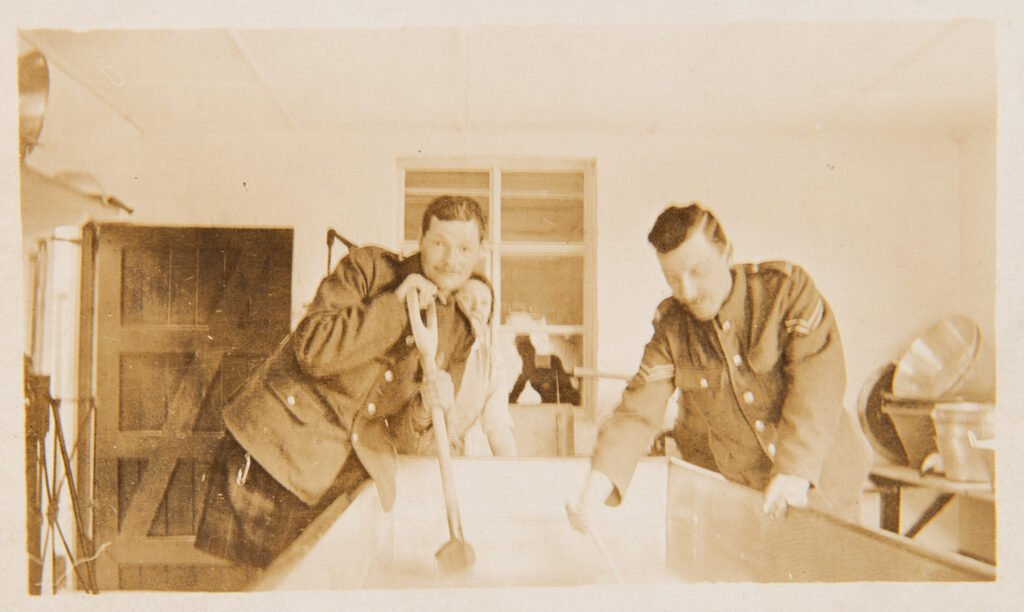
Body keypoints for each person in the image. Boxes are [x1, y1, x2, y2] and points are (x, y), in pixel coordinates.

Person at [194, 195, 485, 568]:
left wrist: (427, 411)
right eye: (440, 243)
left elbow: (409, 439)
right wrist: (395, 306)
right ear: (421, 239)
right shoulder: (370, 269)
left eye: (464, 248)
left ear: (479, 252)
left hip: (343, 479)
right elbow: (314, 350)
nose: (451, 260)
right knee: (252, 593)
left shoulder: (458, 330)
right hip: (274, 454)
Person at [567, 203, 872, 532]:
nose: (686, 291)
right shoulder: (672, 328)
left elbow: (818, 385)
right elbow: (637, 410)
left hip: (826, 479)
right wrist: (597, 485)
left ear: (726, 252)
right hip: (753, 494)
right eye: (672, 278)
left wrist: (795, 470)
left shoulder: (787, 291)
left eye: (697, 271)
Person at [403, 274, 517, 457]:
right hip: (408, 461)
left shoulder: (490, 362)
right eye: (467, 299)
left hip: (452, 463)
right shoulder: (425, 345)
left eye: (484, 303)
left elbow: (498, 427)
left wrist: (514, 477)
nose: (476, 309)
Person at [508, 334, 581, 405]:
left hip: (567, 404)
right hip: (552, 407)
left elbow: (564, 384)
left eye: (525, 351)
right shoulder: (527, 372)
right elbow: (514, 394)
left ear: (532, 349)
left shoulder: (552, 360)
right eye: (521, 353)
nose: (524, 357)